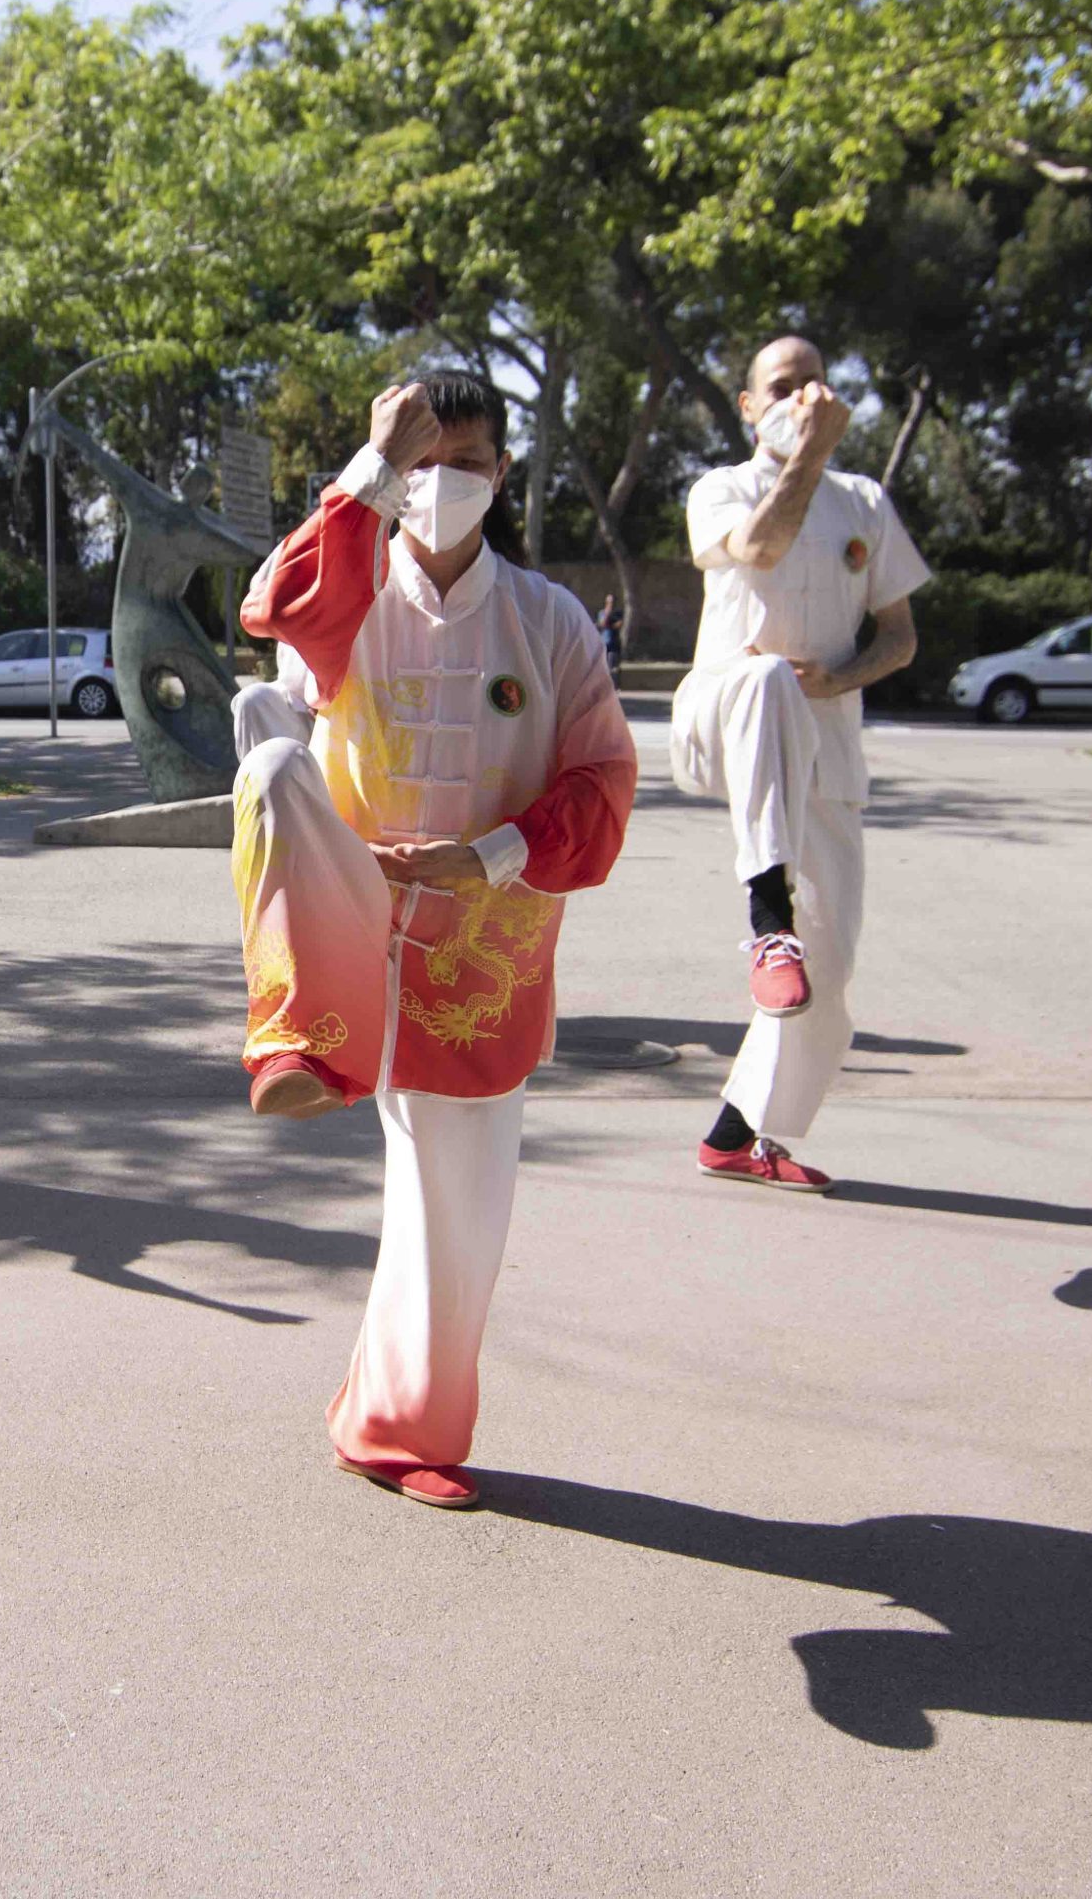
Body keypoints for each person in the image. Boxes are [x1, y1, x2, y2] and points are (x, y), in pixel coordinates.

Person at [231, 373, 636, 1511]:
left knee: (456, 1206)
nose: (440, 479)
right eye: (419, 457)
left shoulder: (549, 621)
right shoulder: (348, 589)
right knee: (264, 744)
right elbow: (275, 608)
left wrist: (492, 856)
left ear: (502, 473)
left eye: (464, 458)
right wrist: (367, 467)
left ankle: (389, 1418)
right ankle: (300, 1035)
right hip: (354, 913)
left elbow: (602, 782)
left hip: (479, 947)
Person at [671, 336, 930, 1193]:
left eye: (814, 383)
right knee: (765, 680)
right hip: (723, 714)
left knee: (826, 976)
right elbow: (760, 548)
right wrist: (809, 454)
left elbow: (898, 637)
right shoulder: (722, 488)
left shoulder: (864, 503)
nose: (802, 397)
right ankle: (765, 911)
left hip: (824, 751)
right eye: (782, 387)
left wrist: (843, 677)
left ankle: (742, 1135)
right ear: (748, 407)